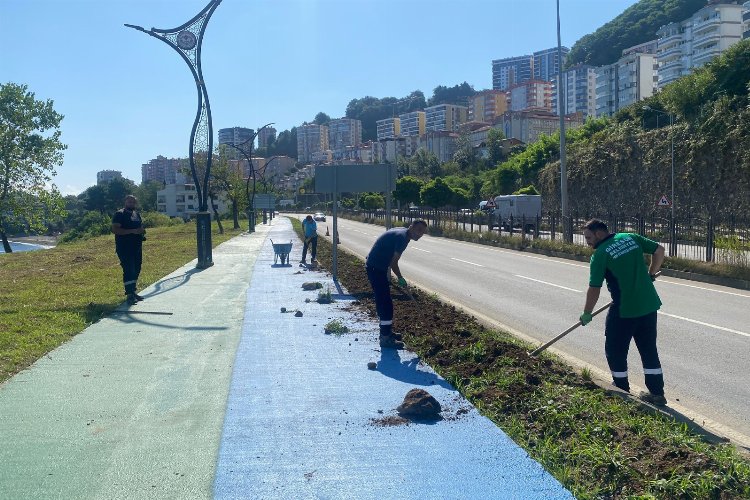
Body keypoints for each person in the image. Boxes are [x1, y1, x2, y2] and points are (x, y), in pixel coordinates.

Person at [579, 219, 667, 406]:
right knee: (648, 349)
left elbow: (594, 288)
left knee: (615, 349)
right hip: (648, 305)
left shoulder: (600, 254)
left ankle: (621, 389)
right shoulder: (630, 237)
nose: (587, 242)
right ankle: (657, 393)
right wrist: (651, 273)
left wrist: (587, 312)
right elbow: (659, 250)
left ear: (599, 234)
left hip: (625, 309)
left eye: (588, 237)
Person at [366, 220, 428, 349]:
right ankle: (385, 338)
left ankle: (386, 332)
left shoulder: (403, 232)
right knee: (386, 304)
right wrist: (400, 278)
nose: (420, 234)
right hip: (376, 268)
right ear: (411, 227)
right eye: (418, 230)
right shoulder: (402, 238)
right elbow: (393, 263)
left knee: (383, 301)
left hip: (376, 267)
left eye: (422, 232)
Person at [111, 195, 146, 305]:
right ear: (125, 202)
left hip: (137, 247)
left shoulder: (136, 214)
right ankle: (129, 295)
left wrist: (141, 231)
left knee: (136, 269)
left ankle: (133, 291)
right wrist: (132, 231)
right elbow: (115, 229)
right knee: (129, 269)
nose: (131, 204)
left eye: (133, 202)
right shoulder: (120, 214)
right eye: (129, 202)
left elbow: (139, 228)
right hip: (124, 248)